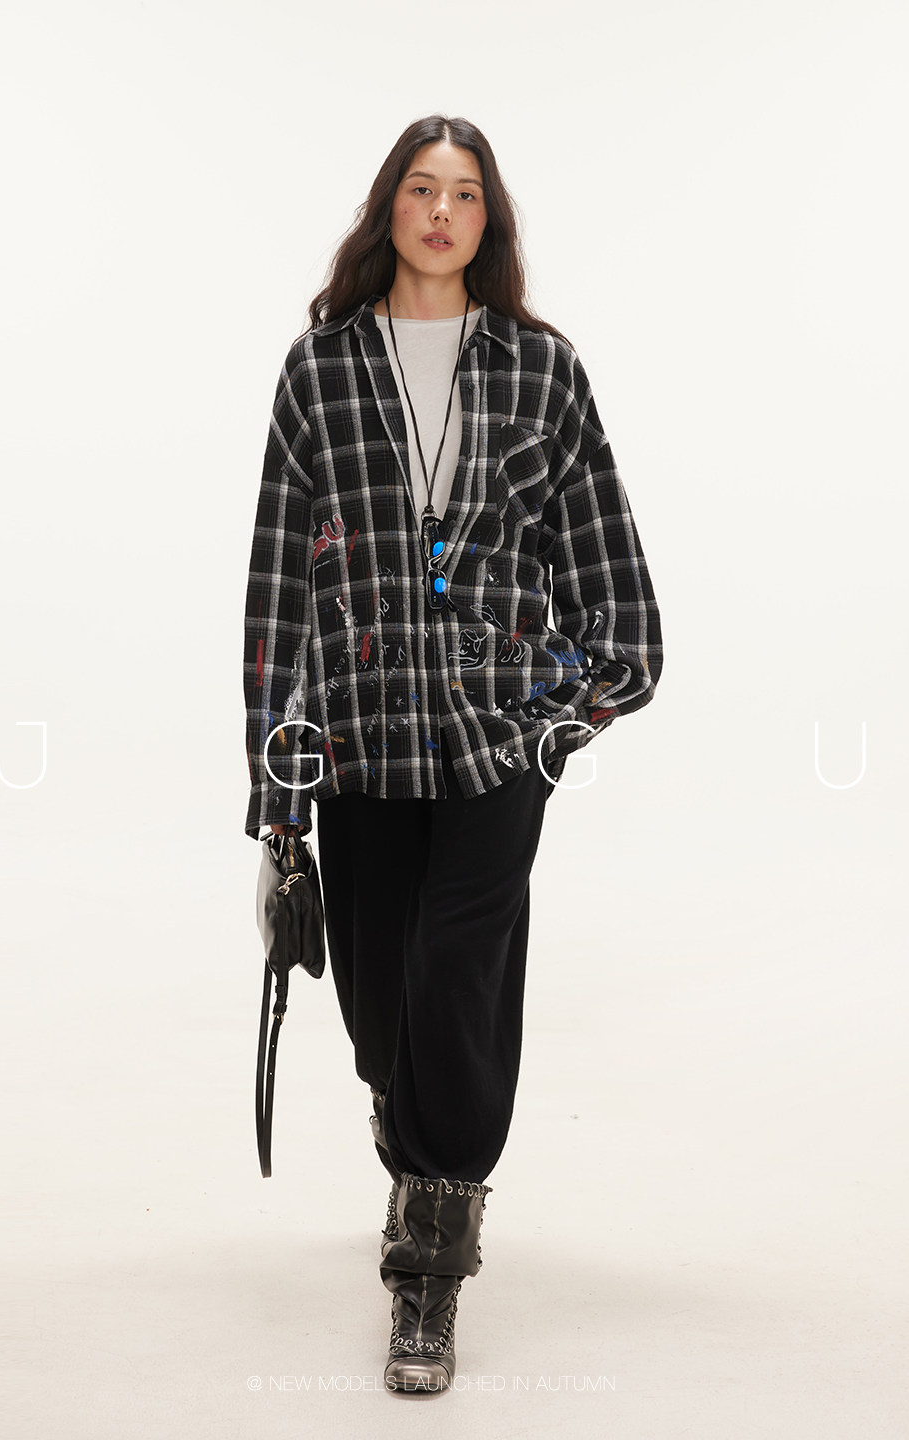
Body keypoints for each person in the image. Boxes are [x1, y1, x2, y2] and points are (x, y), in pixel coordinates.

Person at [241, 113, 663, 1395]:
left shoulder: (542, 371)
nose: (441, 212)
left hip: (493, 752)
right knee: (382, 1010)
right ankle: (411, 1128)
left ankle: (428, 1267)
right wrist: (278, 787)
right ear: (389, 208)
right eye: (421, 189)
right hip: (361, 742)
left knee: (459, 982)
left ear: (491, 220)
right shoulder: (320, 370)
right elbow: (278, 588)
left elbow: (611, 582)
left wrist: (558, 722)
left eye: (465, 193)